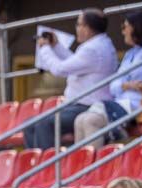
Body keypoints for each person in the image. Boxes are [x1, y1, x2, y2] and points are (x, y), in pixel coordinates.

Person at [73, 9, 142, 144]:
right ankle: (83, 163)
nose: (123, 31)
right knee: (80, 120)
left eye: (125, 27)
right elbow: (114, 86)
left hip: (141, 103)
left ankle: (96, 164)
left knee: (91, 120)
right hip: (123, 103)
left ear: (136, 27)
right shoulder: (130, 53)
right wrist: (128, 85)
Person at [25, 9, 118, 149]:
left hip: (87, 107)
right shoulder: (98, 44)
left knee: (44, 123)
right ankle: (36, 165)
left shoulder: (92, 49)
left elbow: (60, 70)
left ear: (87, 28)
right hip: (78, 105)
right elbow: (73, 63)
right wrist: (56, 46)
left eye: (79, 24)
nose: (77, 28)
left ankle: (48, 167)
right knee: (30, 124)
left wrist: (44, 48)